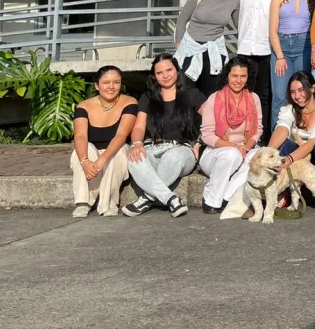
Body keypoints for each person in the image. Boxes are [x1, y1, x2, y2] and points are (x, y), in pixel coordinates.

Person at [122, 53, 206, 218]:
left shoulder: (191, 93)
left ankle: (146, 198)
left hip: (181, 150)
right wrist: (137, 143)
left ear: (177, 70)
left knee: (172, 157)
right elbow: (139, 125)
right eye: (159, 73)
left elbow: (214, 120)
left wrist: (199, 141)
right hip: (153, 147)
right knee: (134, 159)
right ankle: (171, 199)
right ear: (154, 76)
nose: (165, 75)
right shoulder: (147, 97)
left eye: (169, 70)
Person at [70, 65, 137, 217]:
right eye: (106, 82)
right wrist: (84, 161)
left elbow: (121, 135)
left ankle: (109, 202)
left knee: (118, 152)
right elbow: (80, 135)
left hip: (116, 149)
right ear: (97, 85)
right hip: (93, 152)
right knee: (82, 150)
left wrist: (102, 160)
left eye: (116, 82)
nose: (111, 87)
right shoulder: (84, 106)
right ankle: (83, 202)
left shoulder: (129, 103)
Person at [268, 71, 315, 215]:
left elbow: (313, 142)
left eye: (301, 90)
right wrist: (268, 153)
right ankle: (278, 192)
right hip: (298, 156)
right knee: (279, 145)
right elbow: (282, 129)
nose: (297, 96)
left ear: (312, 88)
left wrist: (290, 159)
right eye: (293, 92)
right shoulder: (289, 109)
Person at [198, 58, 262, 214]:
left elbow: (258, 130)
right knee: (231, 154)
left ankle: (226, 198)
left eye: (243, 76)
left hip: (244, 150)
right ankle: (211, 201)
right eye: (234, 76)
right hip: (217, 153)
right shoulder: (214, 98)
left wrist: (245, 148)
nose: (238, 81)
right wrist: (235, 147)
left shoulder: (254, 98)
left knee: (261, 156)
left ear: (248, 78)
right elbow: (207, 135)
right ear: (227, 76)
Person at [235, 0, 284, 141]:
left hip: (268, 51)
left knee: (265, 96)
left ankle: (262, 138)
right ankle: (243, 136)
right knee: (244, 96)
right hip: (245, 50)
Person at [174, 0, 242, 96]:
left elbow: (240, 25)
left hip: (215, 51)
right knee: (185, 93)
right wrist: (179, 45)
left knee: (211, 95)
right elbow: (182, 20)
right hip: (191, 49)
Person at [268, 0, 315, 123]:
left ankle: (300, 134)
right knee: (280, 95)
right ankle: (277, 140)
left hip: (304, 45)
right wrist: (280, 56)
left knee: (303, 93)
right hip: (281, 47)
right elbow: (272, 31)